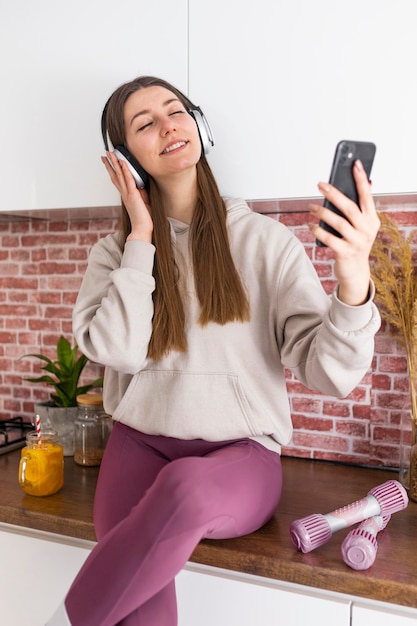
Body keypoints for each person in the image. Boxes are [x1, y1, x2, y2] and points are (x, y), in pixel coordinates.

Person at [47, 75, 381, 626]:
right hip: (137, 448)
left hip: (241, 458)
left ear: (198, 124)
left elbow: (331, 373)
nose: (167, 126)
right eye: (144, 123)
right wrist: (140, 238)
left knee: (183, 490)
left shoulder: (265, 243)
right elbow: (118, 352)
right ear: (125, 161)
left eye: (175, 110)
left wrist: (352, 284)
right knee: (137, 608)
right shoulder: (113, 254)